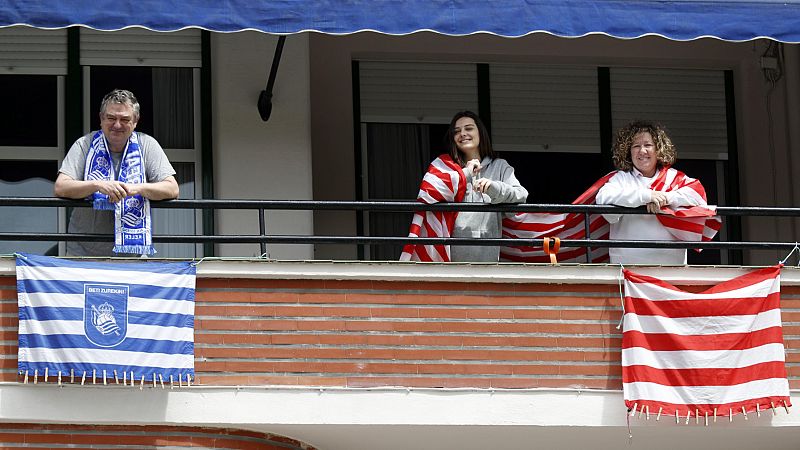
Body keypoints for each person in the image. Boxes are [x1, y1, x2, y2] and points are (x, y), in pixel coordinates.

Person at [54, 89, 179, 256]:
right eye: (111, 118)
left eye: (125, 119)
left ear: (135, 121)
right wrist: (98, 185)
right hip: (82, 253)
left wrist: (136, 188)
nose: (117, 125)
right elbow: (61, 187)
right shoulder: (84, 144)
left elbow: (172, 189)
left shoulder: (147, 144)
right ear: (101, 118)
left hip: (133, 255)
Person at [400, 111, 528, 262]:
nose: (462, 134)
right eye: (457, 131)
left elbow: (521, 195)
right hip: (449, 263)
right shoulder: (443, 165)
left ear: (480, 132)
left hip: (489, 262)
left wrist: (493, 188)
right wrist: (465, 173)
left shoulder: (500, 166)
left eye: (468, 128)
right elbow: (428, 193)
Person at [595, 120, 713, 264]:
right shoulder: (620, 179)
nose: (642, 151)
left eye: (648, 145)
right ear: (628, 151)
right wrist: (646, 196)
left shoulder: (674, 177)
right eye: (636, 146)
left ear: (658, 149)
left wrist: (665, 198)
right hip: (627, 269)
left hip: (671, 269)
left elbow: (698, 196)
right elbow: (603, 198)